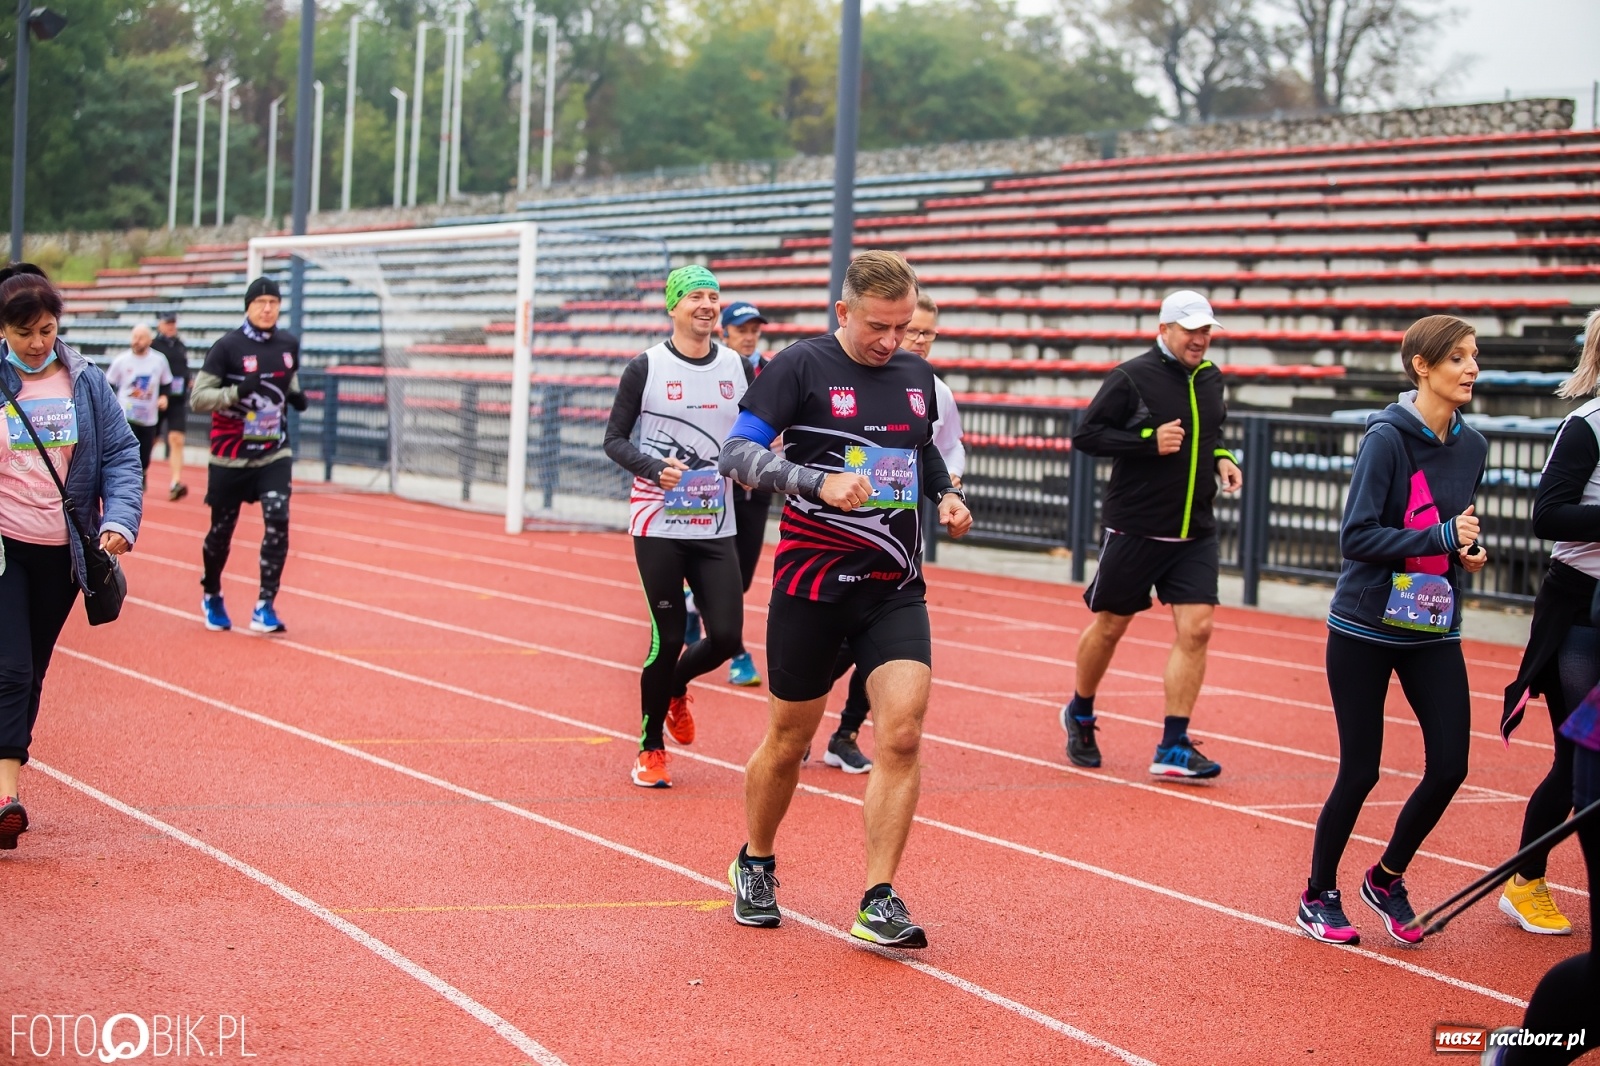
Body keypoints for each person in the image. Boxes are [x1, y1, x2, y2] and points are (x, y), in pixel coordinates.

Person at [718, 250, 973, 946]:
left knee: (903, 733)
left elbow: (922, 451)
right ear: (843, 313)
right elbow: (736, 456)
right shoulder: (799, 366)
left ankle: (878, 896)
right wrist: (811, 480)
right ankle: (757, 860)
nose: (892, 342)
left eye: (903, 326)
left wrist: (946, 494)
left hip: (892, 588)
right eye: (878, 328)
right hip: (812, 588)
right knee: (789, 738)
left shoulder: (918, 376)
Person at [1296, 315, 1488, 947]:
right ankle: (1318, 892)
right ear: (1421, 367)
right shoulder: (1386, 438)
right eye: (1456, 358)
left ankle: (1386, 877)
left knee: (1452, 765)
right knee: (1361, 771)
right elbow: (1356, 537)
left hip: (1431, 621)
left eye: (1474, 357)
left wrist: (1464, 554)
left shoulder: (1474, 446)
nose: (1470, 369)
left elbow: (1446, 529)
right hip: (1364, 626)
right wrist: (1438, 537)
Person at [1060, 290, 1241, 779]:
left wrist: (1222, 459)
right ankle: (1079, 711)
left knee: (1198, 629)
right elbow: (1087, 435)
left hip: (1195, 530)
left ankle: (1174, 744)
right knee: (1112, 625)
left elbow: (1212, 436)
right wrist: (1145, 440)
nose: (1200, 340)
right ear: (1164, 331)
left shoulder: (1211, 379)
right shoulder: (1131, 377)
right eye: (1191, 331)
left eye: (1206, 331)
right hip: (1137, 526)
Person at [0, 267, 142, 849]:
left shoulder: (86, 382)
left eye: (47, 329)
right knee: (8, 669)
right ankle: (5, 797)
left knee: (30, 672)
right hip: (4, 545)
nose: (37, 342)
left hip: (63, 553)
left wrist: (117, 524)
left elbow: (121, 455)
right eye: (22, 331)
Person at [603, 265, 749, 789]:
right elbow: (614, 439)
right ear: (673, 307)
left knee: (728, 636)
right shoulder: (646, 366)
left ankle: (674, 689)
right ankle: (650, 748)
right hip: (658, 521)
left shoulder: (736, 364)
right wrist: (652, 468)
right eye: (695, 297)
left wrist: (751, 467)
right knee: (665, 639)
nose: (707, 305)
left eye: (714, 296)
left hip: (716, 523)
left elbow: (752, 432)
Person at [817, 289, 967, 774]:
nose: (911, 340)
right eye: (906, 329)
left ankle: (846, 731)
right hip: (840, 539)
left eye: (922, 332)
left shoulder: (931, 387)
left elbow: (942, 449)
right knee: (835, 645)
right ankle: (798, 718)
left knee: (884, 646)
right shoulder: (840, 373)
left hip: (898, 537)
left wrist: (950, 491)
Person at [1497, 316, 1600, 937]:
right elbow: (1547, 515)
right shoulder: (1587, 426)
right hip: (1583, 613)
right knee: (1579, 760)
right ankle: (1525, 880)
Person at [190, 276, 307, 635]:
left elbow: (286, 378)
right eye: (261, 302)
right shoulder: (227, 347)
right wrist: (236, 391)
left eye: (273, 302)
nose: (268, 308)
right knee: (222, 531)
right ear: (248, 306)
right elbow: (198, 399)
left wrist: (297, 394)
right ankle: (211, 593)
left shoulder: (288, 343)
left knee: (278, 518)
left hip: (273, 452)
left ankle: (264, 605)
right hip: (230, 456)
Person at [721, 299, 771, 688]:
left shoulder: (771, 371)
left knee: (742, 579)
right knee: (725, 575)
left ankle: (692, 609)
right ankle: (737, 654)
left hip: (760, 486)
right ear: (725, 332)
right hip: (719, 486)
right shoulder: (714, 370)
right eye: (741, 329)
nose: (749, 336)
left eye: (754, 329)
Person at [104, 324, 172, 488]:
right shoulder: (121, 360)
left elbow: (166, 382)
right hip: (126, 415)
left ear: (150, 340)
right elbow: (108, 384)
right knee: (129, 449)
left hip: (148, 416)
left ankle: (142, 474)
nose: (136, 341)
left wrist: (164, 397)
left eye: (141, 338)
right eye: (134, 337)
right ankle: (128, 481)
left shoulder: (159, 360)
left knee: (145, 453)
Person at [151, 311, 192, 501]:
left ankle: (175, 482)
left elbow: (183, 370)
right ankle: (139, 472)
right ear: (160, 324)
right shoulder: (153, 346)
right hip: (156, 401)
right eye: (167, 323)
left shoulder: (181, 346)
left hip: (177, 400)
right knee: (150, 440)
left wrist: (189, 380)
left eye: (173, 323)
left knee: (177, 439)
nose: (171, 326)